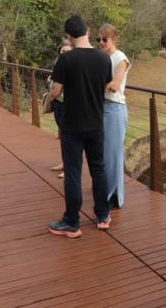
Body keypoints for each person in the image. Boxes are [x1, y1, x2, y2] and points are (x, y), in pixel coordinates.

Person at [47, 15, 112, 238]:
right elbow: (104, 86)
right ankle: (103, 216)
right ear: (88, 30)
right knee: (98, 169)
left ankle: (72, 222)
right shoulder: (104, 58)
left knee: (73, 173)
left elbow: (55, 92)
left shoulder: (66, 59)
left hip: (72, 125)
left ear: (68, 36)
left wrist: (50, 92)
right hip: (96, 123)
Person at [97, 23, 131, 209]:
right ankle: (110, 193)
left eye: (105, 39)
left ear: (114, 39)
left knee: (112, 154)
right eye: (98, 39)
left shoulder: (120, 58)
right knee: (103, 154)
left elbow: (114, 85)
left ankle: (111, 195)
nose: (101, 42)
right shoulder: (100, 57)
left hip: (114, 108)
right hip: (100, 107)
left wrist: (91, 83)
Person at [49, 39, 72, 179]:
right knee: (63, 135)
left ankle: (69, 167)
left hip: (67, 103)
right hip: (57, 101)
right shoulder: (58, 63)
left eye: (68, 52)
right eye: (63, 52)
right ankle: (64, 162)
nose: (65, 54)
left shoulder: (73, 63)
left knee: (68, 136)